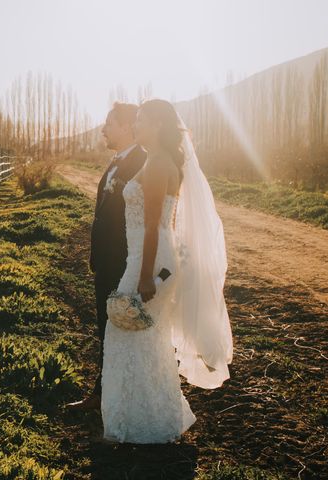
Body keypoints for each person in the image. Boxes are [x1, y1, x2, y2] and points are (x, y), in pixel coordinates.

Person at [100, 99, 233, 443]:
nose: (137, 126)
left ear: (158, 125)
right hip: (149, 257)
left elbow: (153, 226)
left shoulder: (158, 164)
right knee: (147, 338)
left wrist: (144, 275)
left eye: (141, 121)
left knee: (126, 330)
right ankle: (153, 420)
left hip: (152, 260)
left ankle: (139, 424)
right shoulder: (156, 160)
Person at [66, 102, 146, 411]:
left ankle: (109, 397)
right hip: (108, 262)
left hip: (124, 262)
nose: (103, 130)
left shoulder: (141, 161)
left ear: (127, 127)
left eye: (109, 124)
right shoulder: (118, 161)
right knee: (107, 329)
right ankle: (106, 394)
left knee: (120, 330)